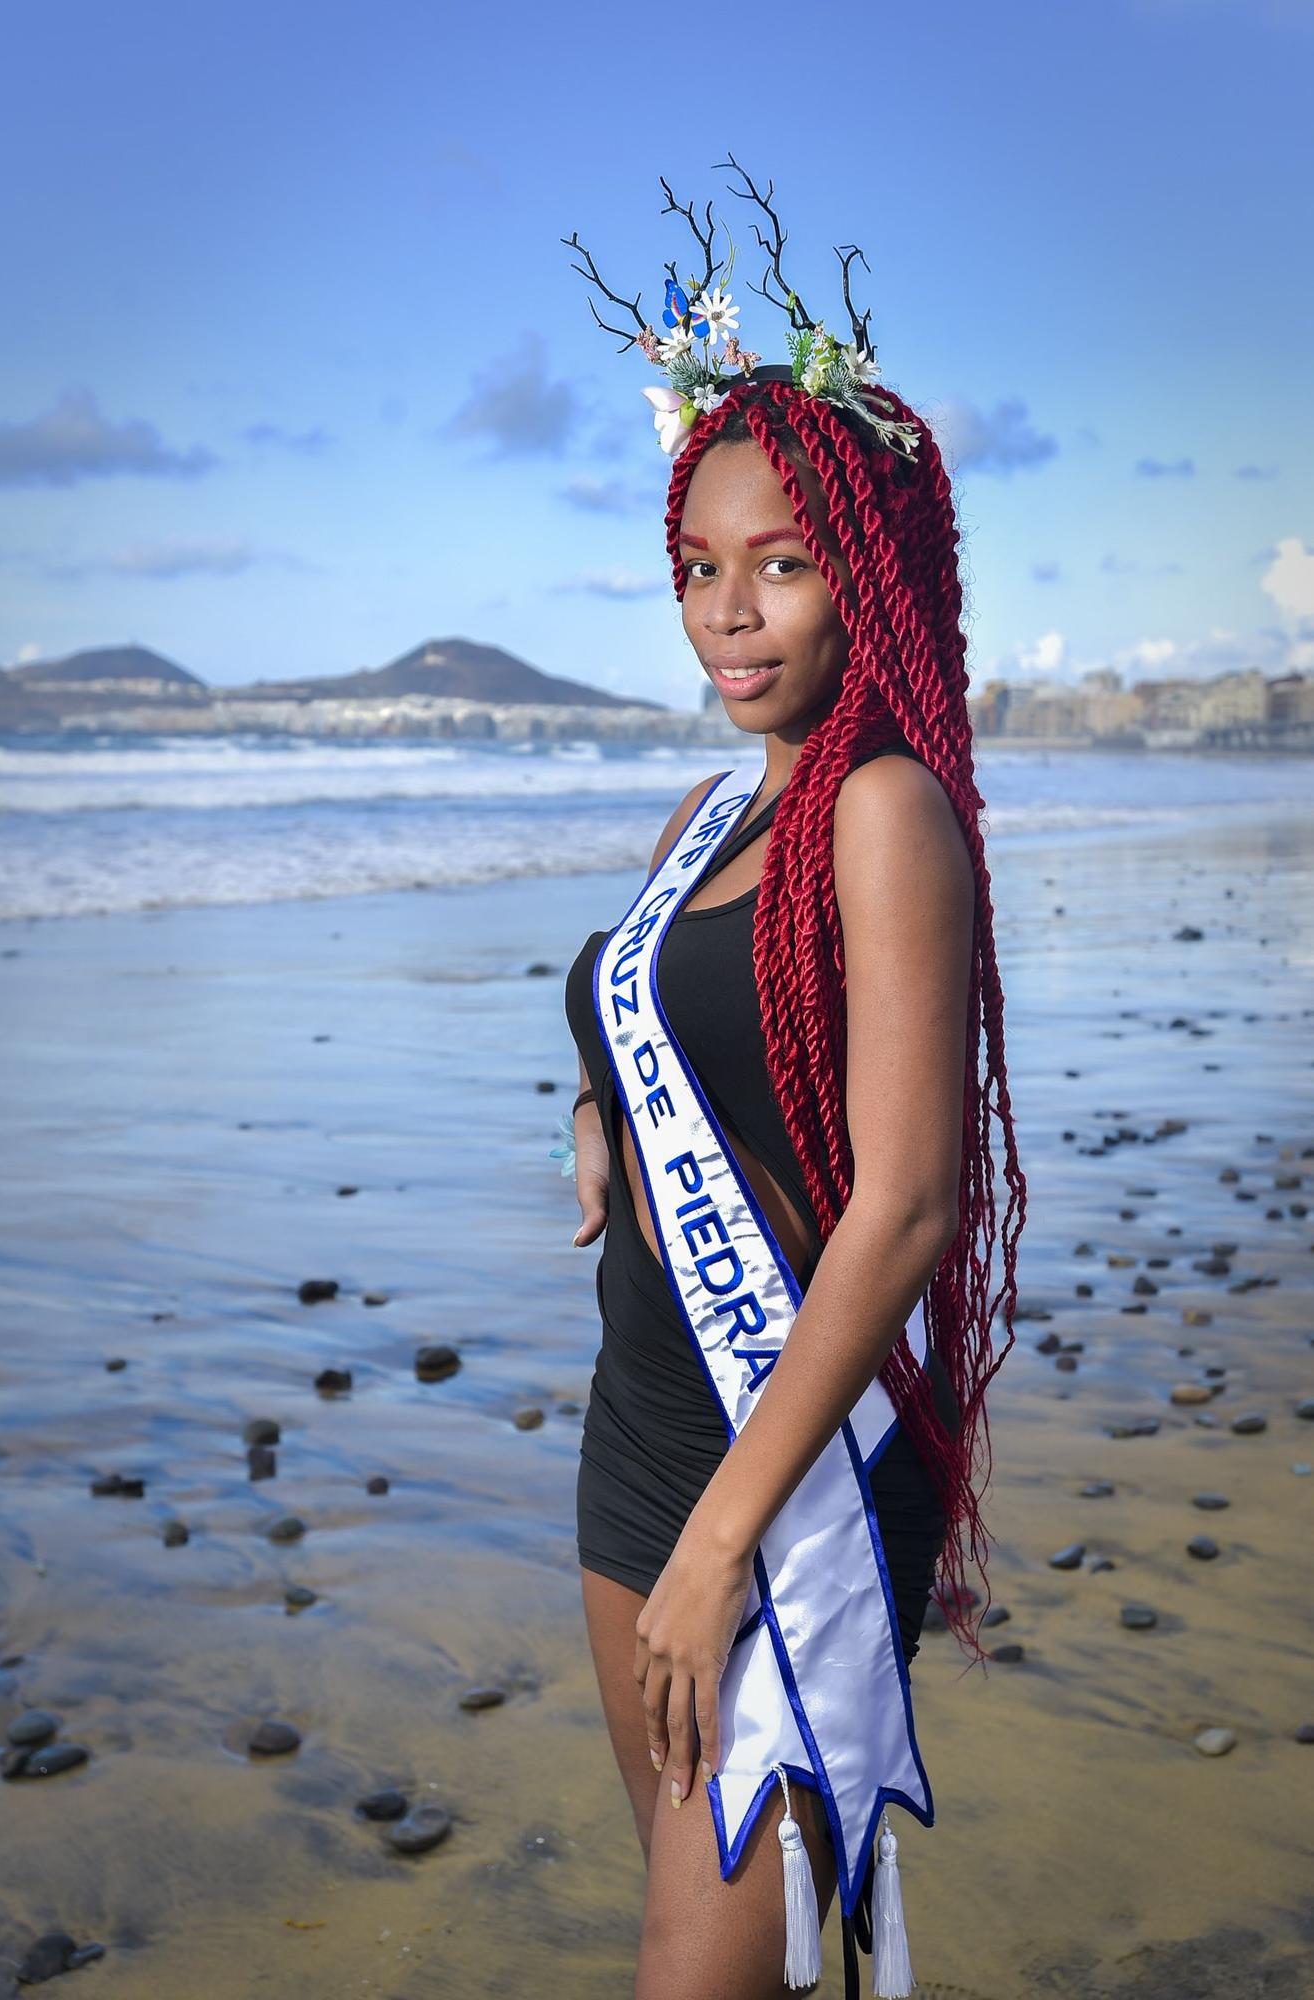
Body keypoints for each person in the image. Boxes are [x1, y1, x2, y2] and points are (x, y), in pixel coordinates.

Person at [559, 172, 1026, 2000]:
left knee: (704, 1969)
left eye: (781, 561)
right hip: (640, 1433)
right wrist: (600, 1111)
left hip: (789, 1468)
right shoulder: (712, 815)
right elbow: (643, 1016)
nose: (729, 616)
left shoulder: (889, 814)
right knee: (719, 1947)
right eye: (699, 568)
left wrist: (726, 1540)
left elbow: (905, 1203)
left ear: (866, 564)